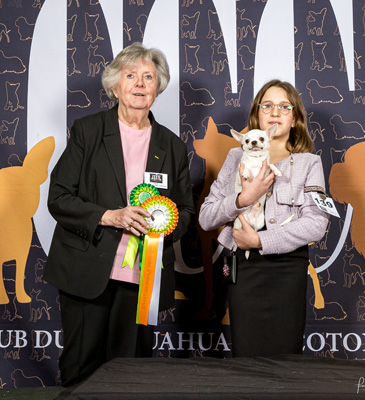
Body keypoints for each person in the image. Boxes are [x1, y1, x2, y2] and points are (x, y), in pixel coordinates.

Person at [44, 42, 195, 386]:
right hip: (87, 271)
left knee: (132, 374)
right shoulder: (87, 131)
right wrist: (110, 216)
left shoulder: (172, 145)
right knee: (82, 368)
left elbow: (185, 209)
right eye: (131, 76)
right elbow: (59, 197)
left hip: (143, 279)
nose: (140, 84)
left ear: (158, 88)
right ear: (115, 87)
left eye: (148, 77)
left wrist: (162, 227)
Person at [198, 79, 329, 357]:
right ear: (257, 115)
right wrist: (242, 200)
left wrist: (260, 240)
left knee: (285, 358)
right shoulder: (235, 157)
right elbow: (206, 218)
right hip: (244, 270)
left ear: (295, 118)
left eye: (284, 106)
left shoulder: (309, 163)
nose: (275, 112)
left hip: (288, 270)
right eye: (267, 105)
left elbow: (317, 223)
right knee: (247, 356)